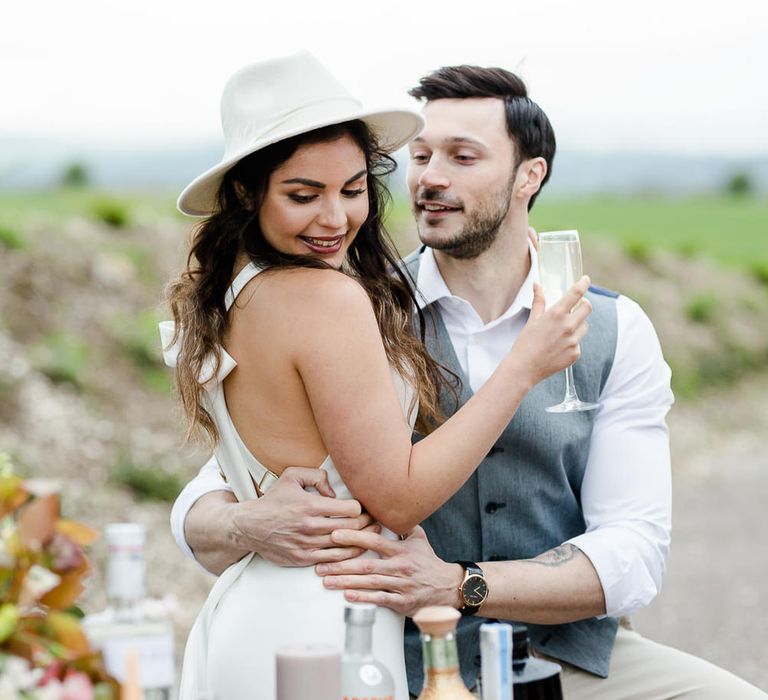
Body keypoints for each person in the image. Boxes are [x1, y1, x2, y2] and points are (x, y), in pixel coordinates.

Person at [171, 63, 768, 699]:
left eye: (462, 156)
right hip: (409, 655)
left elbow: (635, 552)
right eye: (421, 155)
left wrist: (462, 584)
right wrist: (242, 526)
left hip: (558, 653)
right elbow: (230, 476)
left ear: (528, 176)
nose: (431, 176)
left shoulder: (616, 330)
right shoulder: (360, 303)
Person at [162, 53, 590, 700]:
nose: (335, 219)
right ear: (248, 192)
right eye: (304, 195)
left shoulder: (234, 290)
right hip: (328, 622)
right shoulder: (326, 301)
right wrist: (525, 365)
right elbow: (398, 496)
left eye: (354, 189)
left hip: (254, 610)